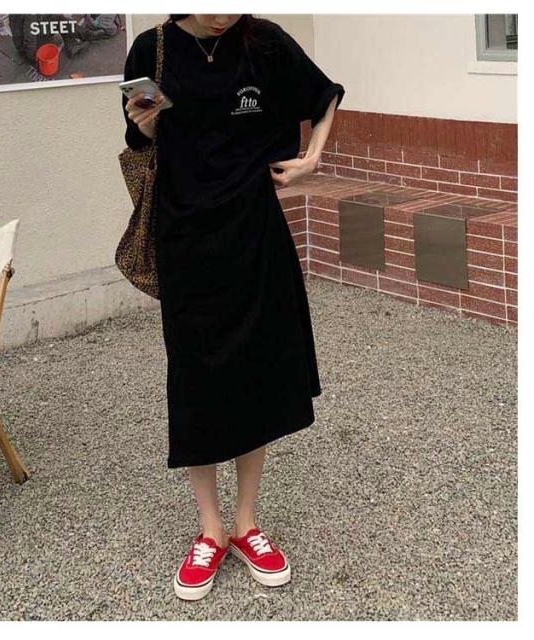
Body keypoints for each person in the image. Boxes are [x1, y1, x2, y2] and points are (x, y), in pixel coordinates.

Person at [121, 14, 344, 601]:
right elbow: (140, 141)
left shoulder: (262, 40)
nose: (223, 11)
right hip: (184, 238)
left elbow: (324, 95)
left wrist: (313, 157)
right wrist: (145, 126)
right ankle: (210, 530)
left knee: (253, 374)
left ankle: (245, 523)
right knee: (195, 378)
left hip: (255, 234)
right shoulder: (152, 48)